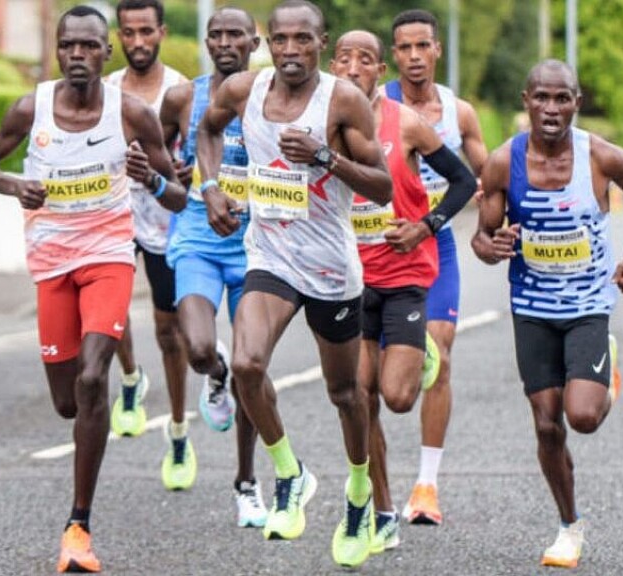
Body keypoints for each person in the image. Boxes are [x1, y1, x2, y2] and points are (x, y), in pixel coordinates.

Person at [0, 5, 186, 573]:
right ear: (58, 50)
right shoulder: (32, 107)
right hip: (51, 265)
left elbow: (178, 197)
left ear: (106, 52)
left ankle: (78, 526)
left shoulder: (131, 113)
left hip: (108, 256)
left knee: (93, 378)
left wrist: (150, 178)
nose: (77, 55)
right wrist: (13, 184)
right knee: (69, 402)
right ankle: (104, 405)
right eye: (68, 45)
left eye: (89, 46)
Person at [196, 0, 392, 568]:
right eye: (280, 39)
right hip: (271, 255)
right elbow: (207, 130)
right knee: (247, 364)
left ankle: (360, 491)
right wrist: (210, 187)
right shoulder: (245, 90)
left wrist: (325, 157)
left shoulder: (344, 100)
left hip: (330, 265)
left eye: (302, 39)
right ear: (268, 43)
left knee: (345, 394)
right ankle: (290, 473)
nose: (289, 50)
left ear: (321, 44)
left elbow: (381, 187)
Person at [471, 59, 623, 569]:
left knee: (583, 417)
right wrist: (492, 246)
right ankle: (569, 525)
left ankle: (605, 373)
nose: (551, 109)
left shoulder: (600, 156)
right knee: (547, 425)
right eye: (541, 98)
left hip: (587, 304)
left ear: (577, 102)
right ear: (526, 101)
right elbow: (482, 238)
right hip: (531, 306)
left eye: (562, 99)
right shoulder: (502, 163)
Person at [328, 30, 477, 554]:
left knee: (397, 397)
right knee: (360, 397)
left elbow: (464, 182)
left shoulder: (406, 123)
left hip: (404, 276)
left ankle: (419, 356)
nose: (353, 68)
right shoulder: (319, 124)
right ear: (332, 66)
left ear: (378, 71)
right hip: (349, 281)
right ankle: (383, 509)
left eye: (364, 60)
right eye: (343, 59)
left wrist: (425, 226)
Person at [157, 6, 267, 526]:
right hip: (197, 241)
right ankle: (214, 374)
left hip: (257, 249)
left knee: (253, 368)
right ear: (206, 42)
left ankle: (246, 483)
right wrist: (171, 171)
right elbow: (156, 145)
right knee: (199, 350)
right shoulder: (183, 97)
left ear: (254, 43)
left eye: (235, 35)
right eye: (216, 35)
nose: (225, 43)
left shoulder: (271, 97)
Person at [382, 8, 489, 526]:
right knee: (372, 381)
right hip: (377, 245)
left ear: (437, 50)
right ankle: (371, 487)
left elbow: (488, 178)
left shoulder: (459, 113)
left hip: (435, 242)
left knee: (440, 357)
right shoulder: (374, 104)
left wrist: (492, 228)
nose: (414, 56)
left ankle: (426, 485)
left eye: (423, 45)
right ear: (393, 54)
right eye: (404, 48)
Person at [105, 0, 196, 492]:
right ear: (119, 35)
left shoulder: (180, 90)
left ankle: (178, 430)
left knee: (168, 332)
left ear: (161, 32)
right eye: (128, 32)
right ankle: (130, 379)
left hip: (164, 220)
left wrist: (185, 171)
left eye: (146, 31)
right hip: (115, 215)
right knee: (109, 313)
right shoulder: (105, 90)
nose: (137, 41)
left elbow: (198, 152)